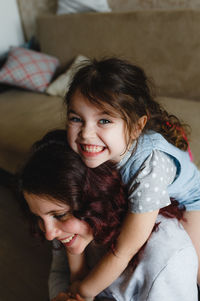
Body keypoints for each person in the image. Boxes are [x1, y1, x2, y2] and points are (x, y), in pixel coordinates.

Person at [64, 57, 200, 298]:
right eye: (76, 118)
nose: (86, 134)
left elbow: (125, 248)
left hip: (191, 201)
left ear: (137, 127)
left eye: (104, 120)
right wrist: (76, 276)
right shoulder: (93, 149)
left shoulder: (149, 167)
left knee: (195, 272)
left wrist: (85, 291)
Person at [18, 129, 198, 301]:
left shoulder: (167, 258)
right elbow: (60, 272)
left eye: (60, 215)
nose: (49, 234)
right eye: (39, 217)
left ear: (96, 196)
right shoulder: (65, 226)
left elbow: (123, 253)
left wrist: (82, 291)